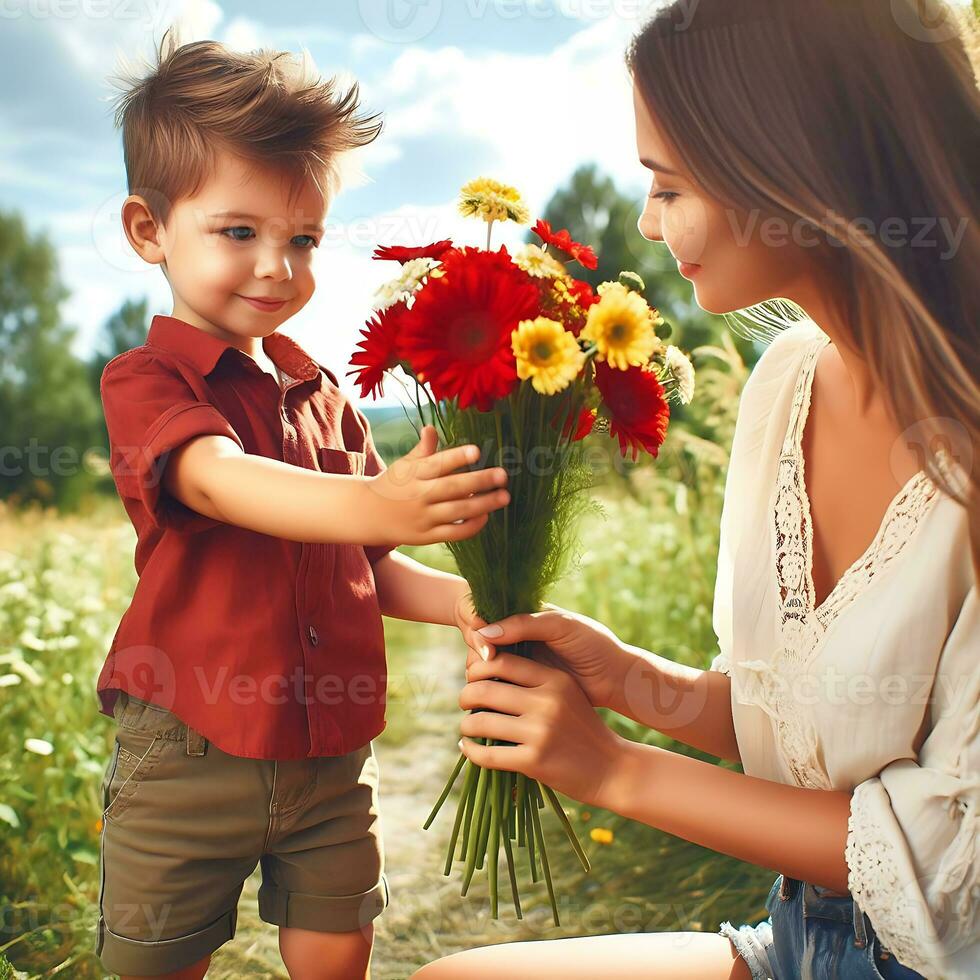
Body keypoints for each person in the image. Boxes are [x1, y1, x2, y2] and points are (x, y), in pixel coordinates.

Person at [417, 0, 978, 977]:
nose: (645, 220)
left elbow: (936, 862)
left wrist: (613, 767)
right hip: (803, 939)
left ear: (793, 167)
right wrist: (629, 676)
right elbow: (791, 724)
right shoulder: (784, 382)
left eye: (666, 184)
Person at [95, 28, 509, 980]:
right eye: (239, 232)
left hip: (327, 746)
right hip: (187, 745)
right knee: (156, 955)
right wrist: (381, 502)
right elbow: (221, 481)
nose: (278, 266)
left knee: (337, 939)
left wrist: (462, 600)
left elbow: (368, 560)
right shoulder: (150, 380)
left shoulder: (320, 390)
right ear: (149, 230)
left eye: (304, 238)